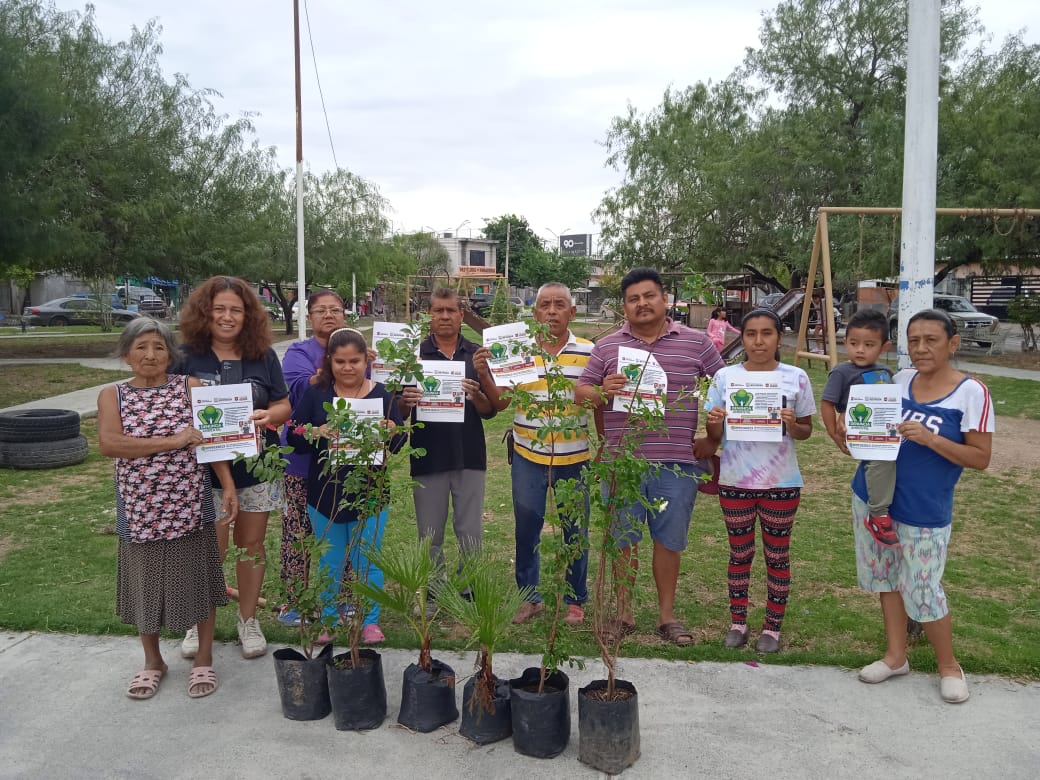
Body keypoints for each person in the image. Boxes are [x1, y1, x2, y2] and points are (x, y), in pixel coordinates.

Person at [576, 267, 724, 646]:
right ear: (624, 306)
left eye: (649, 296)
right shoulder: (608, 348)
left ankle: (666, 616)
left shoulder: (696, 343)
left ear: (665, 300)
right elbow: (581, 392)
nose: (642, 303)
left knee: (669, 540)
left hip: (676, 462)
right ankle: (623, 613)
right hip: (621, 464)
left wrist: (711, 437)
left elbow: (724, 387)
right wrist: (602, 391)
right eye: (633, 299)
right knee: (623, 539)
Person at [853, 309, 993, 704]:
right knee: (887, 581)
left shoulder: (972, 392)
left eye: (931, 340)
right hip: (874, 499)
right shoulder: (897, 382)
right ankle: (896, 657)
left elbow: (980, 457)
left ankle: (949, 666)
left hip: (925, 508)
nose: (921, 348)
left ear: (953, 343)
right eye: (914, 340)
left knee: (925, 589)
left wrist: (931, 439)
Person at [97, 318, 238, 700]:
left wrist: (227, 484)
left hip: (189, 503)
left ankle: (204, 657)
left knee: (201, 579)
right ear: (126, 355)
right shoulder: (113, 396)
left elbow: (212, 439)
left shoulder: (190, 387)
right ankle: (152, 661)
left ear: (171, 354)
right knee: (144, 584)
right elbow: (110, 443)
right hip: (138, 506)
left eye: (159, 347)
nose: (150, 355)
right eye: (141, 347)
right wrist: (173, 441)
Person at [177, 276, 291, 659]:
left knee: (252, 546)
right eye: (219, 309)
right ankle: (197, 622)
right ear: (205, 312)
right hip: (203, 473)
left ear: (248, 316)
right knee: (211, 550)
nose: (227, 317)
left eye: (236, 310)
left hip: (256, 468)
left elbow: (283, 405)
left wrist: (266, 415)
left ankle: (248, 621)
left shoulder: (262, 354)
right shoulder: (186, 357)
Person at [704, 308, 816, 653]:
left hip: (781, 482)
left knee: (777, 556)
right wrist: (715, 419)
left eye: (766, 333)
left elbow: (806, 431)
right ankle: (738, 623)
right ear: (743, 337)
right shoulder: (725, 379)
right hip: (736, 480)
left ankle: (772, 628)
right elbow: (713, 435)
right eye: (751, 333)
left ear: (778, 337)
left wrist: (792, 422)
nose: (758, 341)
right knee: (740, 554)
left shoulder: (795, 378)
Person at [287, 328, 405, 645]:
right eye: (340, 361)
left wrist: (393, 430)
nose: (348, 367)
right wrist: (315, 431)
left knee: (368, 560)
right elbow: (294, 437)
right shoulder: (317, 394)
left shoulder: (383, 394)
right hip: (325, 493)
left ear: (366, 360)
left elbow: (398, 443)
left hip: (371, 494)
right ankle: (326, 619)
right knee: (330, 560)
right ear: (330, 361)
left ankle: (369, 622)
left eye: (355, 360)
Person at [485, 282, 592, 626]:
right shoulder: (518, 351)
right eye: (544, 305)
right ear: (534, 312)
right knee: (526, 528)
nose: (551, 311)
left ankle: (575, 598)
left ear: (571, 312)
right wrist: (485, 372)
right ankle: (529, 597)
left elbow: (598, 401)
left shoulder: (589, 352)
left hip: (574, 458)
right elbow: (500, 401)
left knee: (575, 529)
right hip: (528, 456)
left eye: (559, 305)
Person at [398, 288, 499, 589]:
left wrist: (478, 394)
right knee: (429, 530)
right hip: (428, 454)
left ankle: (469, 585)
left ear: (461, 315)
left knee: (470, 528)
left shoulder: (476, 354)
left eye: (451, 311)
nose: (444, 316)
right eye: (438, 310)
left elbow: (490, 411)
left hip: (469, 453)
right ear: (429, 314)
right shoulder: (413, 356)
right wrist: (407, 399)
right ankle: (433, 585)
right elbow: (399, 411)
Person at [277, 290, 347, 626]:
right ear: (309, 316)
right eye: (321, 310)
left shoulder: (359, 351)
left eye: (335, 309)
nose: (329, 315)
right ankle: (295, 600)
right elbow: (307, 390)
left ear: (345, 314)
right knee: (298, 531)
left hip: (345, 458)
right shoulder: (297, 353)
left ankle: (343, 597)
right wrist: (350, 364)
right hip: (303, 459)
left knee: (344, 527)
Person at [820, 309, 898, 546]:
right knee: (881, 460)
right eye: (854, 343)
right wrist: (834, 433)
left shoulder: (886, 373)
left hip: (883, 430)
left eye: (869, 344)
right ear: (845, 343)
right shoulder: (842, 371)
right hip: (856, 430)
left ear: (884, 347)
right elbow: (827, 402)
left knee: (892, 459)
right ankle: (878, 514)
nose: (860, 350)